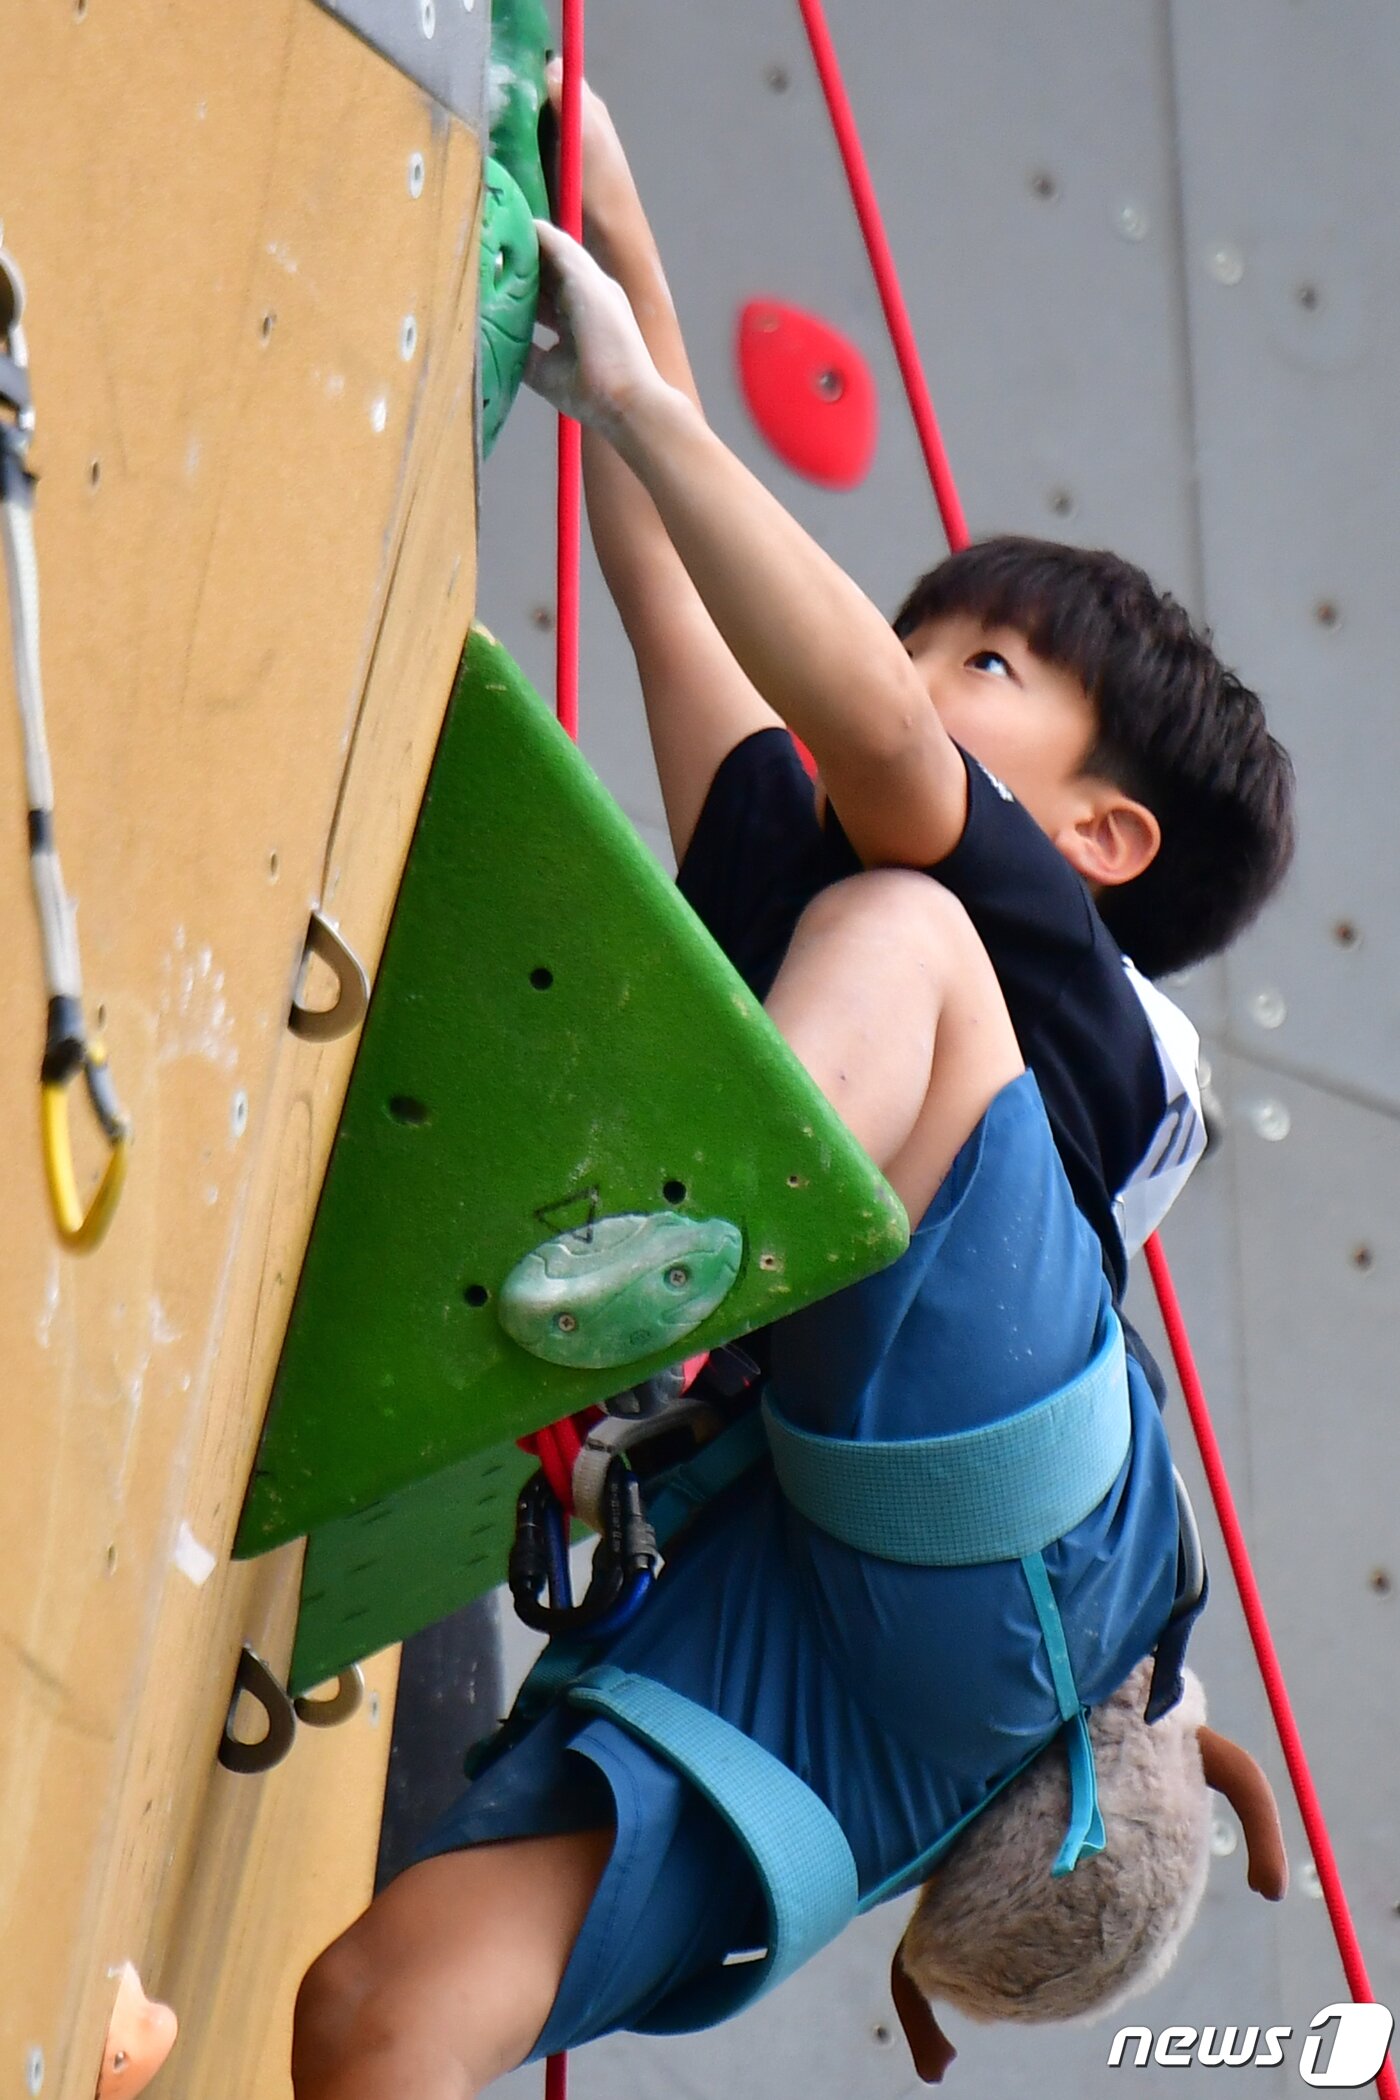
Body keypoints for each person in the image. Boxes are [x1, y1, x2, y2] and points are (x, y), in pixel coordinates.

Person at [290, 79, 1294, 2099]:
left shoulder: (1050, 972)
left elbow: (871, 748)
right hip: (885, 1645)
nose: (912, 664)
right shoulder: (813, 866)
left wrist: (649, 407)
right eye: (910, 631)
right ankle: (682, 1269)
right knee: (372, 2012)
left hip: (1010, 1520)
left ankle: (678, 1260)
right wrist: (592, 165)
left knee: (904, 941)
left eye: (983, 660)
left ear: (1100, 834)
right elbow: (674, 573)